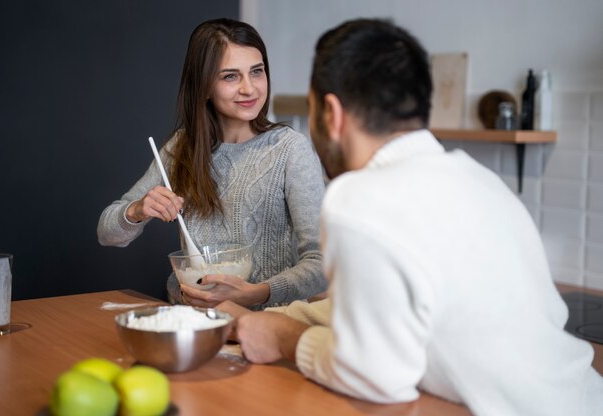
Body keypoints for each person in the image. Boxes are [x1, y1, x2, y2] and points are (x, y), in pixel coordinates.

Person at [218, 18, 603, 415]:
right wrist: (264, 319)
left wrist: (286, 338)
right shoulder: (482, 181)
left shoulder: (358, 198)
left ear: (331, 114)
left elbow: (376, 375)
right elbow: (374, 308)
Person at [97, 18, 327, 310]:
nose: (249, 89)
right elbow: (107, 233)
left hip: (266, 326)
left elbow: (322, 265)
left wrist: (255, 293)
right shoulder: (182, 147)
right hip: (192, 319)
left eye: (256, 72)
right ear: (204, 86)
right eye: (230, 77)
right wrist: (137, 210)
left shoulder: (290, 150)